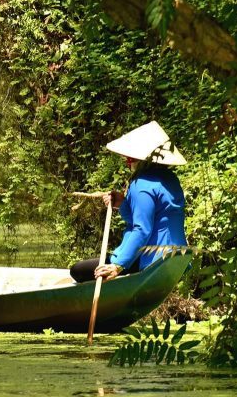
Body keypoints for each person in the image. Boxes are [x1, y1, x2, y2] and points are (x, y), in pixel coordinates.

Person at [70, 121, 188, 283]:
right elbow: (156, 216)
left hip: (155, 260)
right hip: (177, 256)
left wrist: (118, 265)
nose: (127, 161)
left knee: (78, 270)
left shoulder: (141, 185)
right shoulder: (170, 179)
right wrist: (124, 203)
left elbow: (142, 229)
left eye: (130, 158)